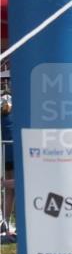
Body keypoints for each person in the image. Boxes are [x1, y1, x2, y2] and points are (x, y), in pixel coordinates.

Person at [1, 97, 14, 239]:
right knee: (14, 189)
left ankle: (5, 222)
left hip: (6, 153)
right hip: (12, 151)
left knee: (9, 191)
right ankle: (5, 223)